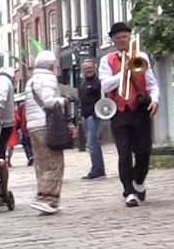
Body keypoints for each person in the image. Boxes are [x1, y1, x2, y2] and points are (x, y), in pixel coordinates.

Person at [99, 22, 160, 208]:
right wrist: (123, 72)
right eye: (118, 38)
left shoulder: (141, 57)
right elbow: (106, 85)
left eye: (124, 37)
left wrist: (155, 100)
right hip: (120, 111)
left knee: (143, 151)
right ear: (113, 41)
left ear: (130, 38)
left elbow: (151, 84)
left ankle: (139, 180)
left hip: (140, 111)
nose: (121, 40)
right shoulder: (106, 60)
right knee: (124, 153)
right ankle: (129, 192)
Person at [24, 50, 68, 215]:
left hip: (33, 126)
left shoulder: (31, 81)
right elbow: (49, 102)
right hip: (47, 125)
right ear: (51, 65)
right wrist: (63, 101)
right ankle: (47, 199)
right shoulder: (48, 79)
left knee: (41, 163)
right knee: (54, 162)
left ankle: (46, 198)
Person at [78, 58, 106, 180]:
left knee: (92, 143)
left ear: (94, 68)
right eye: (86, 68)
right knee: (92, 144)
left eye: (90, 67)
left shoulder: (98, 82)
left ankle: (97, 170)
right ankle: (97, 168)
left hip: (93, 116)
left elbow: (103, 99)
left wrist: (98, 113)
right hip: (85, 116)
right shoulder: (83, 82)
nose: (88, 70)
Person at [13, 99, 34, 167]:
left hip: (25, 127)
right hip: (34, 126)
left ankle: (30, 156)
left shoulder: (22, 106)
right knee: (33, 143)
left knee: (26, 143)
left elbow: (18, 118)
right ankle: (33, 156)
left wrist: (18, 126)